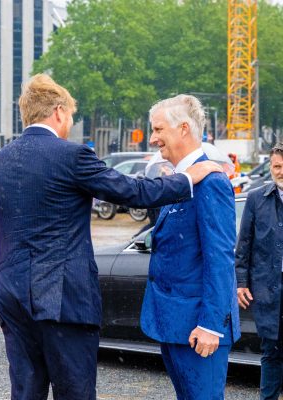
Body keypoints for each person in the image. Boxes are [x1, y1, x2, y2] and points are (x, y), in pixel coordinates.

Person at [0, 74, 221, 400]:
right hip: (64, 301)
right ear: (59, 112)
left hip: (12, 299)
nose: (70, 126)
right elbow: (131, 192)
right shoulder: (71, 156)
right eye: (71, 118)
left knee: (25, 392)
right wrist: (187, 179)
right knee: (75, 392)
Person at [140, 94, 241, 400]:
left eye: (158, 130)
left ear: (183, 129)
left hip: (199, 329)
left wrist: (211, 325)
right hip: (177, 325)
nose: (153, 138)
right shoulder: (184, 179)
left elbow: (220, 258)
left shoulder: (210, 181)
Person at [236, 143, 283, 400]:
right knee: (271, 350)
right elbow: (244, 244)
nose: (281, 172)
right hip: (268, 288)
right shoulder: (256, 199)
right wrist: (241, 282)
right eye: (276, 166)